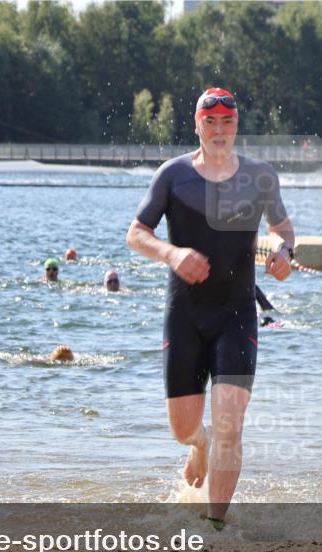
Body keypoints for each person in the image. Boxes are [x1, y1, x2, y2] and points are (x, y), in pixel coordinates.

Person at [126, 87, 295, 528]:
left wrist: (283, 252)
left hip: (236, 315)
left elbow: (282, 227)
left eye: (227, 123)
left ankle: (216, 525)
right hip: (185, 315)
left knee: (230, 426)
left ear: (236, 125)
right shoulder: (173, 175)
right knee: (184, 428)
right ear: (197, 125)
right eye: (210, 123)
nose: (219, 131)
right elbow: (136, 233)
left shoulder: (260, 176)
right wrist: (171, 254)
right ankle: (196, 445)